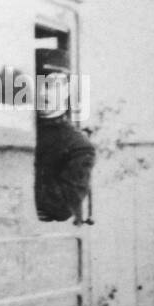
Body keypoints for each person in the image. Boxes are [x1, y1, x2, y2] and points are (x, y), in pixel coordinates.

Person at [34, 50, 94, 222]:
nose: (43, 93)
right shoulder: (22, 132)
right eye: (39, 85)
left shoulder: (78, 146)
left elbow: (63, 207)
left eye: (52, 85)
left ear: (67, 89)